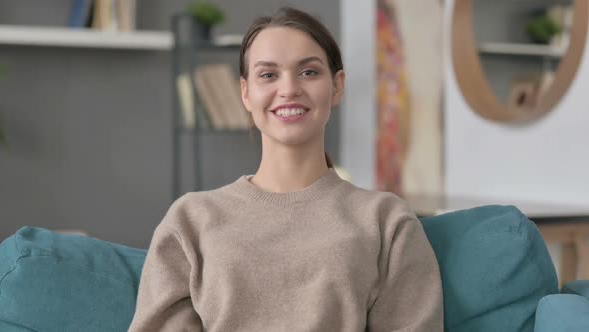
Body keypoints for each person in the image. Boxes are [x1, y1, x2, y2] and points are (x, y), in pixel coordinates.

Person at [129, 6, 443, 332]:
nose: (289, 88)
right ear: (246, 93)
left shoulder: (386, 221)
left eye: (309, 72)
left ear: (337, 86)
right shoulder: (190, 220)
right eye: (268, 75)